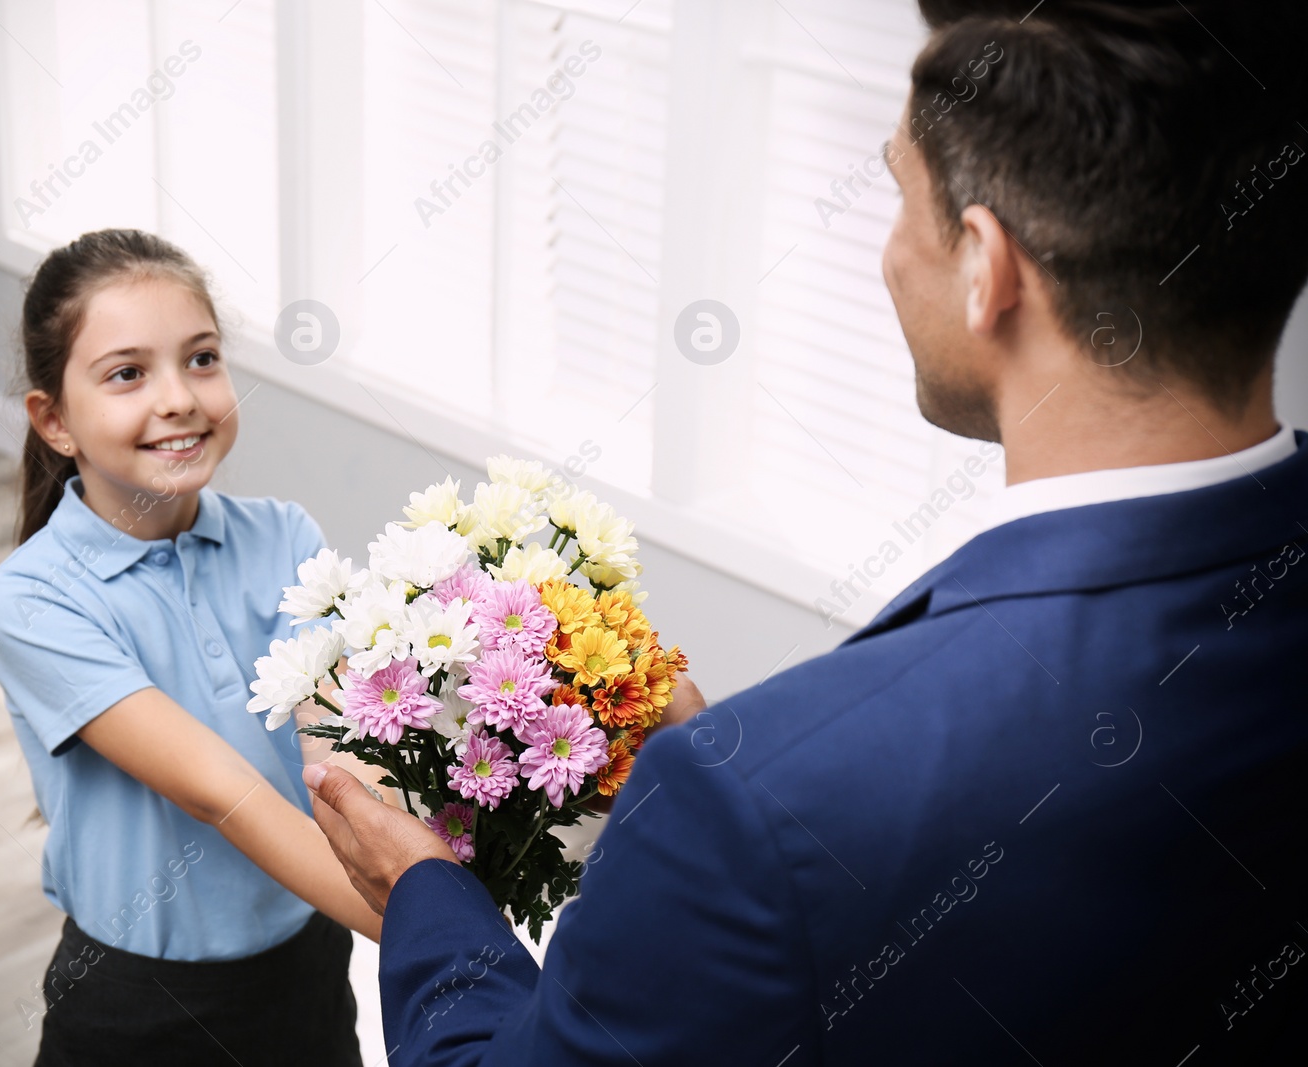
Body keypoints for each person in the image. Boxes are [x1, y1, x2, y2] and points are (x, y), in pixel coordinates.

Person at [301, 1, 1308, 1062]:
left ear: (985, 267)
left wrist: (424, 899)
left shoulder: (739, 808)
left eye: (896, 191)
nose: (885, 255)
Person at [0, 229, 378, 1066]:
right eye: (128, 372)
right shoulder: (34, 599)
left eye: (201, 358)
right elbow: (219, 792)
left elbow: (339, 752)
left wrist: (415, 872)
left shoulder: (285, 536)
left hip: (308, 956)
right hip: (140, 998)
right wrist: (414, 920)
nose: (181, 398)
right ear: (53, 420)